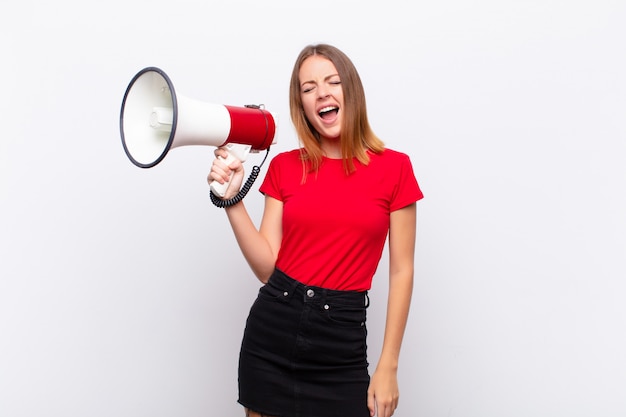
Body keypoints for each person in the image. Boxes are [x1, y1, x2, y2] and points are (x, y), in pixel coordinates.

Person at [208, 43, 423, 417]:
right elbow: (266, 267)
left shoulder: (395, 169)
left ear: (350, 90)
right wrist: (232, 201)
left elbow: (402, 271)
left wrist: (389, 365)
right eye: (308, 88)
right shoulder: (286, 168)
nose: (321, 92)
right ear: (303, 106)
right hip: (272, 333)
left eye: (332, 81)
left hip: (341, 341)